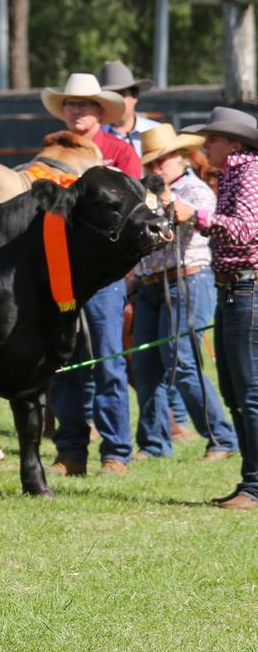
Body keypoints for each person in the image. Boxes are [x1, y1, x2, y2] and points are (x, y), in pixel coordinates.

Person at [43, 73, 140, 476]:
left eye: (84, 104)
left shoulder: (119, 152)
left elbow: (138, 211)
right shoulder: (52, 150)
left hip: (104, 276)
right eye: (70, 104)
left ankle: (116, 451)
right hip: (61, 273)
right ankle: (70, 451)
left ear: (101, 111)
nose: (76, 110)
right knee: (63, 363)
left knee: (108, 360)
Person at [166, 107, 258, 510]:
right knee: (236, 389)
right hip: (234, 290)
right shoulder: (235, 173)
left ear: (234, 144)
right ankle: (250, 482)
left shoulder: (249, 172)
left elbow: (246, 229)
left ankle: (255, 487)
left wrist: (196, 215)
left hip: (246, 290)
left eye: (213, 140)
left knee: (249, 390)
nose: (206, 146)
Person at [129, 123, 239, 461]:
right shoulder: (144, 194)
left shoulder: (196, 191)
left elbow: (189, 225)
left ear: (179, 157)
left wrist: (165, 199)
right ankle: (153, 443)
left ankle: (221, 438)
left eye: (161, 160)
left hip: (188, 280)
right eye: (150, 163)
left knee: (183, 361)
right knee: (146, 364)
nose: (155, 168)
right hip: (150, 285)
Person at [98, 60, 160, 156]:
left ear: (135, 96)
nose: (115, 100)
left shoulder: (157, 132)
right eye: (109, 95)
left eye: (120, 95)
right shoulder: (95, 137)